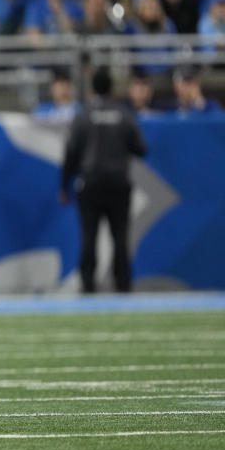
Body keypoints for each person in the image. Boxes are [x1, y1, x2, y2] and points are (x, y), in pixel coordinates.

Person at [60, 66, 147, 294]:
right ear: (112, 87)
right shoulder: (123, 114)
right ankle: (123, 284)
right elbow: (140, 148)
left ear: (93, 88)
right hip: (118, 182)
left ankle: (88, 284)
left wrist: (63, 185)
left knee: (89, 236)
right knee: (120, 236)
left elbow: (71, 153)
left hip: (90, 183)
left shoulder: (83, 115)